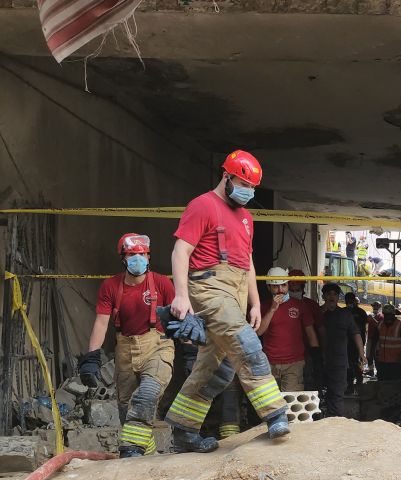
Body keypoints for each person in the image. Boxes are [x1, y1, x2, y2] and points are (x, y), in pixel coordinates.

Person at [160, 149, 289, 452]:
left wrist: (256, 303)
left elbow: (247, 263)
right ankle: (275, 413)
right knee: (247, 344)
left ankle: (184, 432)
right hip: (208, 289)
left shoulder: (245, 217)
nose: (248, 192)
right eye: (243, 184)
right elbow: (181, 251)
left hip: (235, 292)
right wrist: (180, 295)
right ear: (226, 176)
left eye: (252, 188)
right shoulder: (202, 206)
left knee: (216, 369)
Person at [79, 233, 175, 457]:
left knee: (148, 393)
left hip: (157, 344)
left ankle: (131, 449)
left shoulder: (162, 284)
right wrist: (91, 357)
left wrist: (191, 348)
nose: (138, 259)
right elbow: (102, 324)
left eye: (142, 254)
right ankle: (145, 455)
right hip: (124, 348)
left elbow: (178, 314)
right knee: (127, 410)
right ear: (123, 258)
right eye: (132, 255)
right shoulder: (110, 286)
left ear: (148, 256)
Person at [258, 266, 319, 391]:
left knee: (292, 403)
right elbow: (259, 332)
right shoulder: (263, 307)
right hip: (269, 362)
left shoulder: (300, 306)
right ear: (269, 287)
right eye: (276, 286)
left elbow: (310, 333)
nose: (281, 290)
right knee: (270, 404)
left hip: (294, 363)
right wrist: (272, 309)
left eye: (284, 285)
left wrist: (317, 356)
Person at [319, 283, 365, 416]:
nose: (331, 297)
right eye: (328, 294)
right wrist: (322, 311)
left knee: (337, 394)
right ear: (324, 296)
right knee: (317, 393)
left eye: (334, 294)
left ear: (338, 297)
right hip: (319, 361)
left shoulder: (345, 314)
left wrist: (362, 353)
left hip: (339, 362)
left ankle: (336, 422)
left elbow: (356, 333)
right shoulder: (317, 312)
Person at [373, 304, 401, 381]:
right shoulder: (380, 325)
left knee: (395, 386)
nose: (387, 317)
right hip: (382, 363)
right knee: (382, 384)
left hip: (396, 363)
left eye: (389, 315)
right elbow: (375, 341)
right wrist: (375, 355)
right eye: (386, 315)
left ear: (394, 315)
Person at [344, 292, 370, 391]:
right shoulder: (343, 312)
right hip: (346, 343)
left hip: (357, 343)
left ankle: (359, 383)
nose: (350, 302)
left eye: (351, 300)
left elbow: (365, 328)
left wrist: (363, 343)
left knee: (357, 363)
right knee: (348, 364)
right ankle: (350, 385)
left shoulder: (361, 312)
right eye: (348, 300)